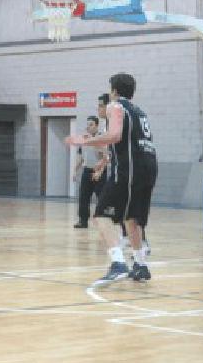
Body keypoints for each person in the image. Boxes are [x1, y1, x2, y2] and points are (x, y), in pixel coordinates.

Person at [66, 73, 157, 283]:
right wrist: (102, 154)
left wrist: (84, 141)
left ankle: (118, 263)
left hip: (129, 168)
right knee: (131, 217)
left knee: (100, 215)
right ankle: (141, 265)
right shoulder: (140, 112)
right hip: (149, 166)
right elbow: (123, 141)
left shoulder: (115, 107)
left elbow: (115, 135)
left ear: (114, 91)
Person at [95, 93, 150, 257]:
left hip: (127, 172)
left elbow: (116, 141)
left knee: (116, 212)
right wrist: (103, 163)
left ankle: (137, 248)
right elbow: (113, 150)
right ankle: (136, 249)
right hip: (126, 169)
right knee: (128, 212)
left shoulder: (118, 114)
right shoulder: (118, 119)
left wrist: (90, 141)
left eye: (100, 105)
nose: (98, 109)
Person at [73, 115, 107, 229]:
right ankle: (83, 220)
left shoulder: (102, 138)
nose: (88, 127)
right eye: (87, 124)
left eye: (91, 124)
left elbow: (105, 157)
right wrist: (75, 170)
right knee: (83, 196)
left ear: (97, 125)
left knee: (101, 198)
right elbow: (80, 156)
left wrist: (100, 172)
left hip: (99, 171)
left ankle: (102, 221)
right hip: (87, 170)